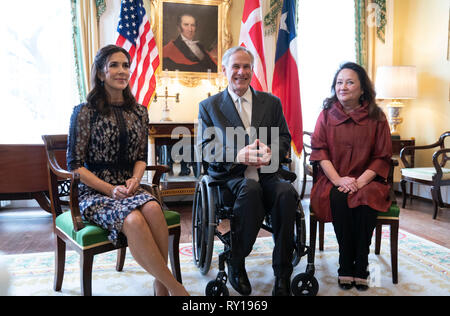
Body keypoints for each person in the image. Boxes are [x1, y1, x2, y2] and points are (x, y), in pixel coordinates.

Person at [67, 44, 189, 296]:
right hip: (96, 192)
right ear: (100, 73)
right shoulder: (84, 112)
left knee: (154, 208)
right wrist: (110, 190)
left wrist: (135, 179)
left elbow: (141, 158)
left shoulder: (139, 112)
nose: (122, 71)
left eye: (125, 65)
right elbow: (76, 166)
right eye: (114, 65)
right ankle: (175, 288)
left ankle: (160, 286)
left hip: (129, 187)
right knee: (132, 219)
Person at [197, 46, 298, 296]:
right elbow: (205, 148)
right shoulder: (209, 106)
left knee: (286, 193)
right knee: (250, 189)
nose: (241, 72)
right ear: (224, 70)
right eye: (235, 66)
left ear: (252, 70)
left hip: (268, 175)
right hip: (231, 179)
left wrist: (272, 151)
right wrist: (236, 155)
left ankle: (283, 273)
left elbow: (284, 137)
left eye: (246, 67)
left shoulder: (271, 103)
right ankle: (237, 261)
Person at [310, 62, 392, 291]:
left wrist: (359, 182)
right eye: (339, 82)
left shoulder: (377, 117)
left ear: (362, 88)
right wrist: (338, 180)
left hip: (368, 179)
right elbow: (320, 152)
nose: (343, 87)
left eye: (349, 82)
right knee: (337, 197)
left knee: (366, 200)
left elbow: (381, 156)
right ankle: (346, 261)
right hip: (332, 179)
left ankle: (362, 261)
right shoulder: (326, 114)